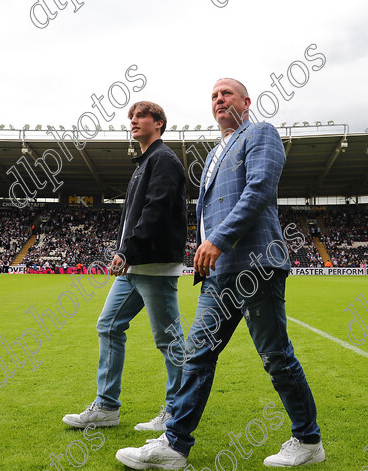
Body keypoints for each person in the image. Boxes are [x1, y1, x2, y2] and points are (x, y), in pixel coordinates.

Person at [115, 79, 323, 469]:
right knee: (197, 354)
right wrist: (205, 246)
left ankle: (308, 439)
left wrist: (219, 240)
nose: (219, 99)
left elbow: (259, 190)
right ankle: (174, 445)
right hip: (219, 272)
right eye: (213, 95)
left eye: (226, 93)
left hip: (256, 264)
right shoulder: (212, 155)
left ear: (247, 101)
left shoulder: (261, 133)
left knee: (275, 356)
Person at [62, 101, 187, 432]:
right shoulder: (143, 163)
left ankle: (178, 410)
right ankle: (106, 407)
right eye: (130, 117)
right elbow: (135, 216)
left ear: (158, 123)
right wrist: (125, 251)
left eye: (140, 116)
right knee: (108, 325)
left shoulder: (163, 160)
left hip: (154, 264)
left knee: (169, 339)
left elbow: (156, 210)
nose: (133, 121)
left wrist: (127, 250)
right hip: (135, 266)